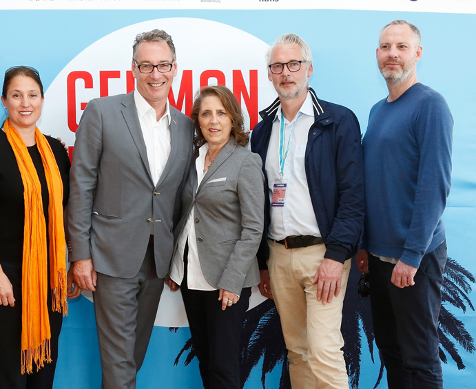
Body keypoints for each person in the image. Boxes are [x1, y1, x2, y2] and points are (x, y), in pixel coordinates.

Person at [68, 29, 194, 389]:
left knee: (131, 358)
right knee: (119, 363)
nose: (156, 74)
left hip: (157, 261)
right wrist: (80, 255)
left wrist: (177, 259)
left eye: (163, 65)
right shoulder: (102, 112)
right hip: (111, 257)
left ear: (175, 68)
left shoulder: (185, 126)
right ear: (134, 69)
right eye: (146, 66)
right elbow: (82, 185)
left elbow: (181, 198)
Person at [251, 33, 365, 389]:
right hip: (279, 255)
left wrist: (336, 256)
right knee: (297, 351)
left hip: (323, 256)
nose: (286, 73)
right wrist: (264, 263)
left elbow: (353, 195)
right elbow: (259, 201)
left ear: (309, 69)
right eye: (277, 66)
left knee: (324, 349)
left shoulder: (337, 121)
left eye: (293, 64)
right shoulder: (262, 130)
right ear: (269, 74)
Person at [0, 66, 80, 388]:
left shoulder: (55, 151)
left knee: (44, 368)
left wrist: (69, 263)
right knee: (10, 372)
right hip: (5, 275)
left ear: (42, 100)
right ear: (4, 101)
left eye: (32, 95)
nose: (25, 103)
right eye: (16, 95)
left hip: (48, 276)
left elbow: (64, 211)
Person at [356, 20, 453, 389]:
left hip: (415, 259)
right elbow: (374, 182)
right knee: (391, 350)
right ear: (377, 54)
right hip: (379, 258)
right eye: (385, 47)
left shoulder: (430, 105)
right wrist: (365, 244)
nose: (392, 54)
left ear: (418, 53)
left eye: (401, 46)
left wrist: (411, 256)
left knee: (419, 358)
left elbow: (434, 186)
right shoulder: (377, 111)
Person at [166, 85, 264, 389]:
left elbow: (253, 228)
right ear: (198, 120)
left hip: (225, 281)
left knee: (224, 367)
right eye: (206, 113)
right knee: (206, 360)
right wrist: (174, 266)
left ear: (233, 119)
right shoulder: (193, 159)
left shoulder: (246, 161)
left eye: (221, 113)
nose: (214, 120)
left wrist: (232, 281)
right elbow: (186, 215)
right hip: (191, 277)